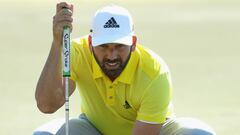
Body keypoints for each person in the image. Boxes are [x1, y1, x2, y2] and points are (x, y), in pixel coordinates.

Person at [33, 2, 216, 135]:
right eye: (103, 46)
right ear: (90, 43)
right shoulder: (76, 53)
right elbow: (47, 104)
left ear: (133, 43)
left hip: (156, 130)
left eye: (119, 46)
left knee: (201, 134)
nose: (111, 56)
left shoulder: (154, 72)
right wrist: (58, 43)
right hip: (95, 129)